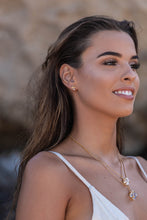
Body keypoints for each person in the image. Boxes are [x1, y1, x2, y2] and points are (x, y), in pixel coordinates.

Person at [15, 16, 147, 220]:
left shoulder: (142, 170)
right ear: (69, 76)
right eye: (110, 62)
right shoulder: (50, 171)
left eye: (133, 64)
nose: (130, 74)